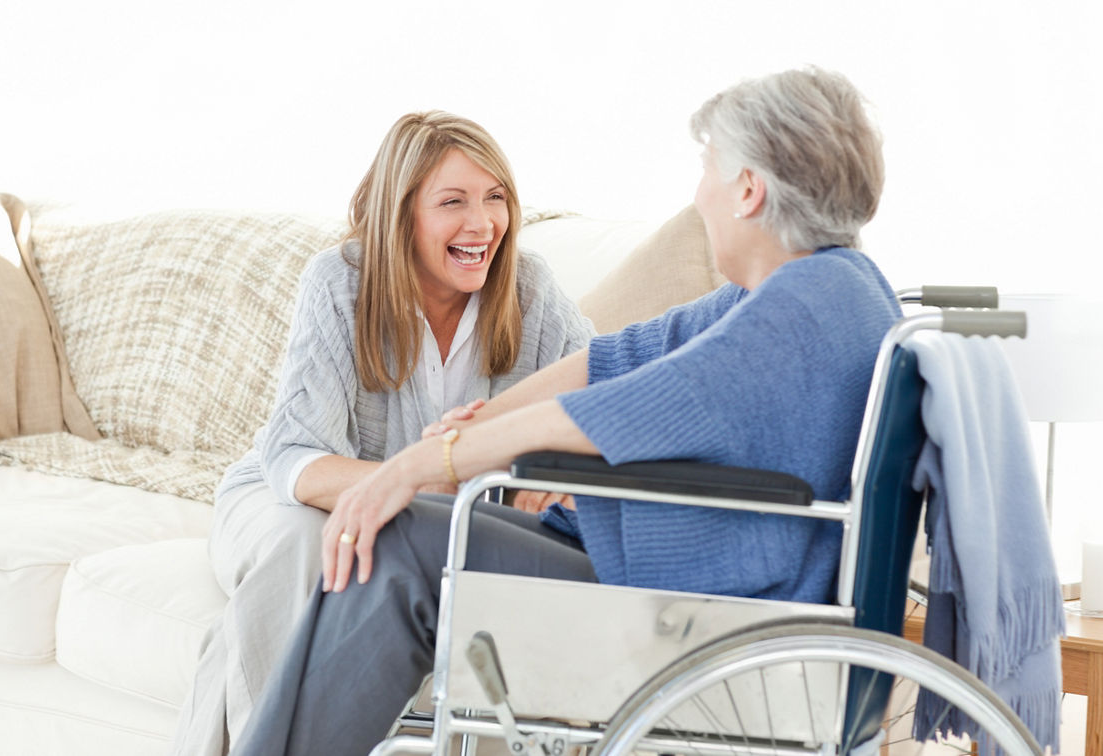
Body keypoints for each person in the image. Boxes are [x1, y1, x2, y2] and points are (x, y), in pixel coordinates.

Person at [229, 66, 902, 756]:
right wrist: (475, 428)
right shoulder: (817, 287)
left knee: (399, 546)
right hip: (686, 573)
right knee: (415, 526)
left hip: (697, 604)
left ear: (748, 189)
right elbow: (619, 357)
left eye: (708, 170)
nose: (699, 196)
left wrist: (423, 462)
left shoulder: (799, 308)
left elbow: (625, 408)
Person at [169, 112, 594, 756]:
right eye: (453, 202)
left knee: (343, 575)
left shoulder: (530, 291)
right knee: (305, 546)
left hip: (426, 521)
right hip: (287, 497)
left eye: (496, 197)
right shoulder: (341, 281)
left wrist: (553, 475)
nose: (482, 224)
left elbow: (600, 397)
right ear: (403, 216)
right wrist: (421, 482)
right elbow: (294, 456)